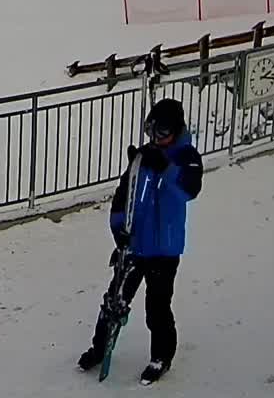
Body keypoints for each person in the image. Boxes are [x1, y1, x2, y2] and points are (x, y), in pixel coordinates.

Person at [77, 98, 204, 385]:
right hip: (135, 244)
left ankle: (162, 355)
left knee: (157, 306)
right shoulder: (144, 156)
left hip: (164, 249)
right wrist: (119, 229)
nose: (156, 140)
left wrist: (167, 169)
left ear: (175, 129)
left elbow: (190, 189)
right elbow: (123, 195)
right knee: (115, 299)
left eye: (162, 134)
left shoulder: (187, 157)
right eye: (152, 133)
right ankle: (100, 348)